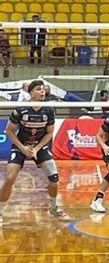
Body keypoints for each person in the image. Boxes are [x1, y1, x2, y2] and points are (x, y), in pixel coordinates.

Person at [0, 80, 70, 223]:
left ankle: (53, 208)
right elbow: (8, 131)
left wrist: (37, 149)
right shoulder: (20, 109)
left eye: (43, 89)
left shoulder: (49, 110)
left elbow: (49, 133)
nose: (42, 91)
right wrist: (23, 148)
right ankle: (0, 210)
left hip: (40, 146)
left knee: (54, 178)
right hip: (20, 146)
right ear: (31, 93)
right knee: (9, 179)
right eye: (38, 89)